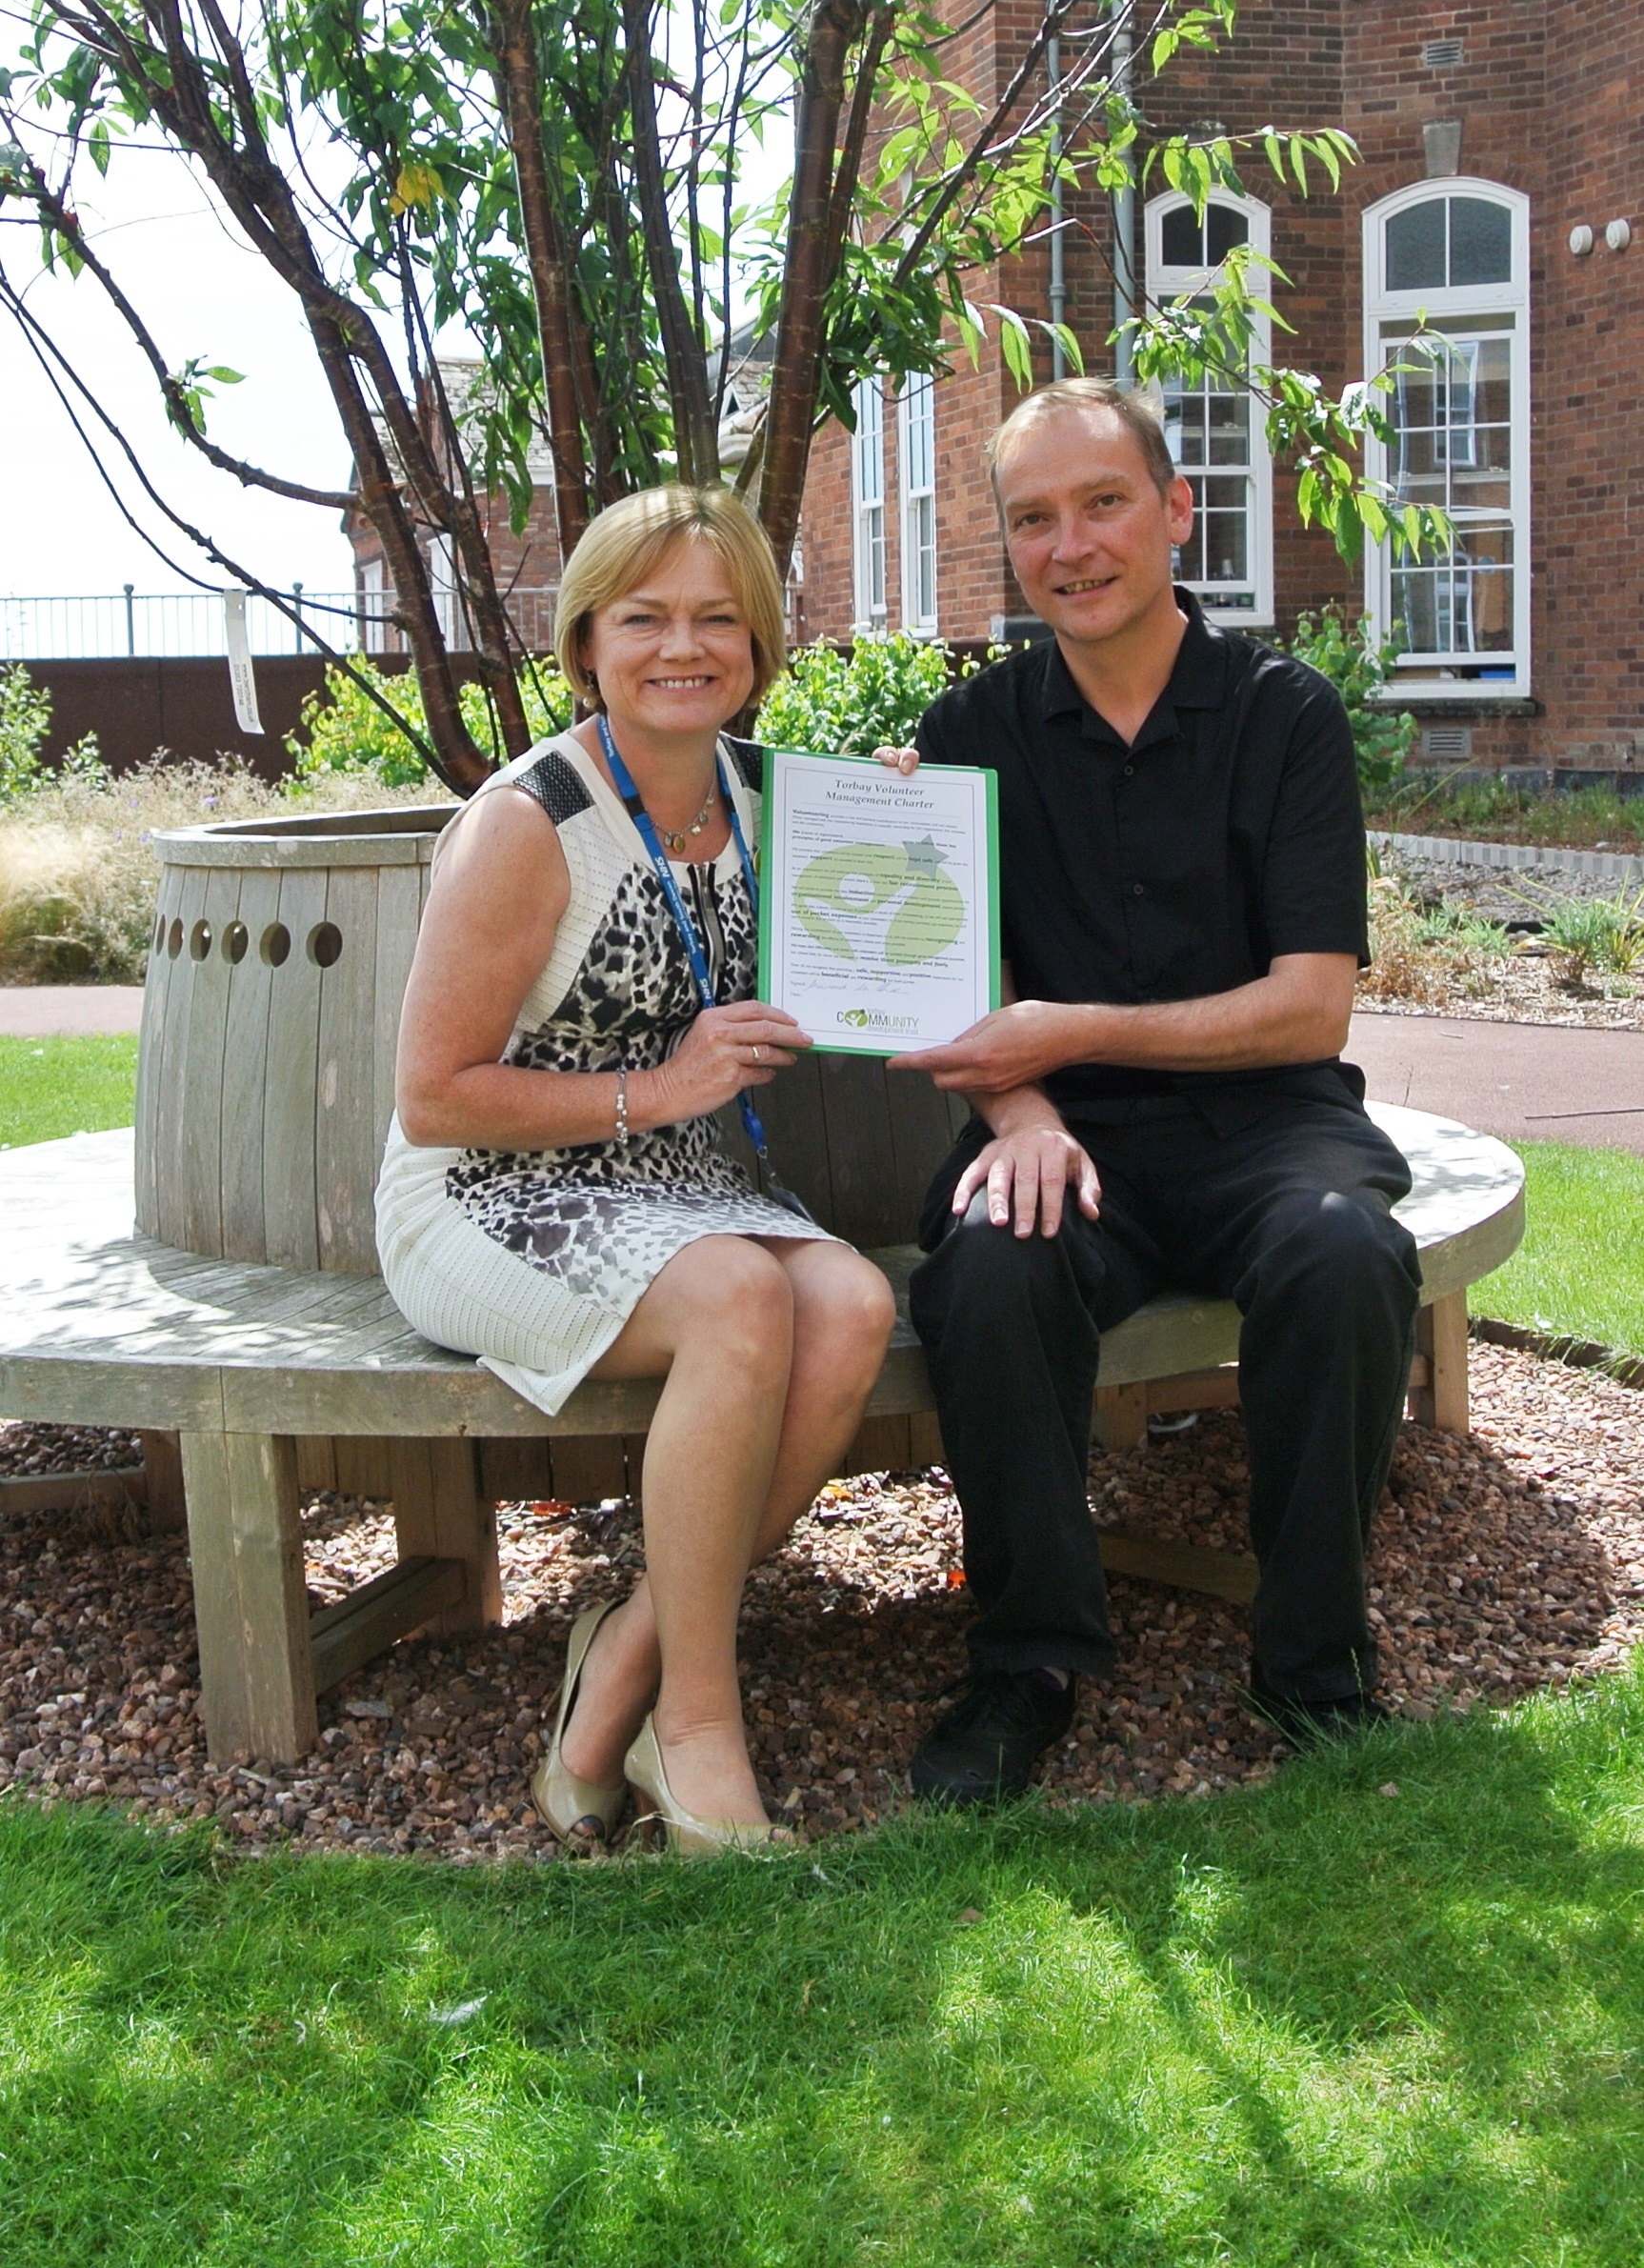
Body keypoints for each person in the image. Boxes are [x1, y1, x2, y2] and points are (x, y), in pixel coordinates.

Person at [881, 374, 1421, 1806]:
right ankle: (1027, 1663)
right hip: (1070, 1137)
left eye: (1102, 502)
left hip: (1270, 1127)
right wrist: (1026, 1111)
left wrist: (1068, 1028)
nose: (1071, 545)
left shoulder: (1281, 715)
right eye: (1034, 519)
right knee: (991, 1264)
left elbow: (1310, 1000)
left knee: (1345, 1249)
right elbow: (946, 999)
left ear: (1175, 511)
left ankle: (1312, 1662)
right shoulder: (966, 734)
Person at [377, 485, 896, 1854]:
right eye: (646, 616)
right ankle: (697, 1724)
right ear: (587, 642)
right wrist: (658, 1089)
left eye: (718, 617)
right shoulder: (529, 823)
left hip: (677, 1187)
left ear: (761, 645)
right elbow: (432, 1100)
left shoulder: (778, 800)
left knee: (847, 1307)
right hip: (480, 1193)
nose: (684, 645)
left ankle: (620, 1649)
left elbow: (911, 945)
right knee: (742, 1299)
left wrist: (907, 823)